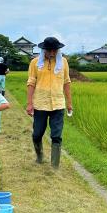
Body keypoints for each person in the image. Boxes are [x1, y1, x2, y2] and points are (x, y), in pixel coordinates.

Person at [26, 36, 73, 168]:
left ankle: (54, 165)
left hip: (58, 104)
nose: (52, 53)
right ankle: (40, 156)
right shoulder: (35, 63)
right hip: (40, 103)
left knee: (56, 135)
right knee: (37, 134)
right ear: (43, 50)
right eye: (49, 50)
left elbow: (67, 82)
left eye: (55, 50)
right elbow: (31, 83)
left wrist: (69, 103)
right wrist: (29, 104)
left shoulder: (63, 62)